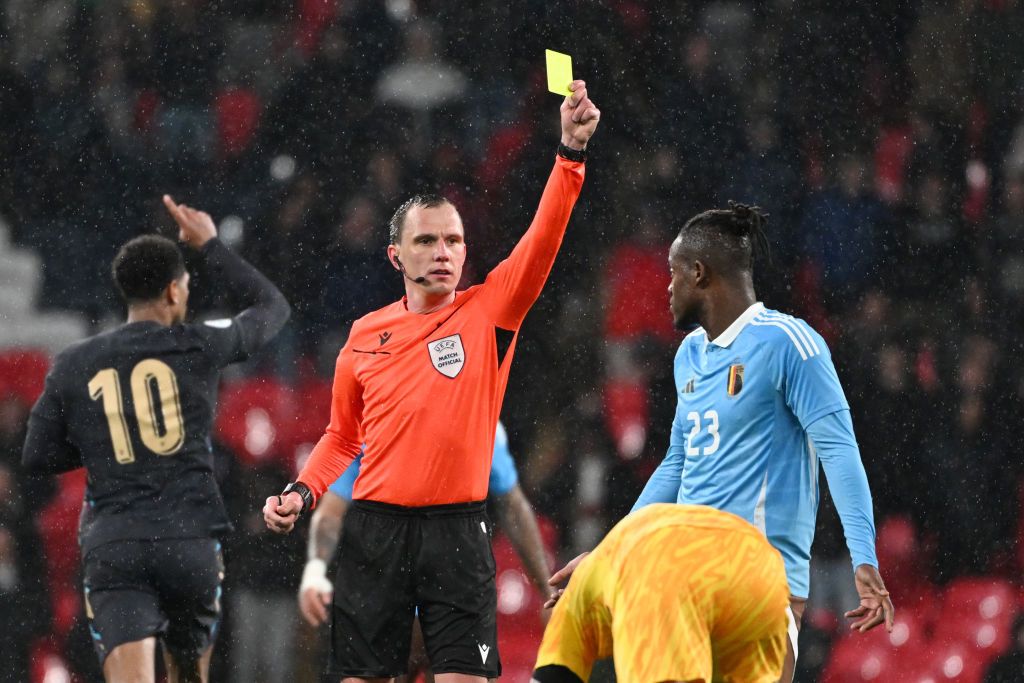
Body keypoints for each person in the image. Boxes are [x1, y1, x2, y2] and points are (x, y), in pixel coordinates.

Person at [263, 80, 600, 682]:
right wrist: (302, 491)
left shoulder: (490, 310)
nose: (443, 251)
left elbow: (543, 238)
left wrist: (568, 155)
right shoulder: (365, 334)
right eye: (426, 240)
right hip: (375, 533)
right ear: (396, 256)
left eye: (453, 240)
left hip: (458, 534)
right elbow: (343, 437)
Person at [547, 202, 894, 682]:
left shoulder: (790, 343)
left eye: (672, 274)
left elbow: (839, 451)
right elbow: (675, 465)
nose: (665, 287)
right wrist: (609, 552)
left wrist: (864, 557)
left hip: (759, 588)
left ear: (699, 272)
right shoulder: (688, 356)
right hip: (683, 578)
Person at [22, 196, 290, 683]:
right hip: (188, 539)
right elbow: (273, 307)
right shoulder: (198, 344)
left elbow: (37, 455)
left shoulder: (76, 362)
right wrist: (211, 247)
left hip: (116, 541)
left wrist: (104, 444)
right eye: (185, 285)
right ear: (172, 291)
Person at [298, 421, 551, 681]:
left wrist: (315, 570)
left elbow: (330, 513)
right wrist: (546, 590)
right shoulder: (475, 415)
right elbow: (513, 507)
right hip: (446, 588)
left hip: (400, 588)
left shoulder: (375, 417)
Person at [533, 504, 790, 683]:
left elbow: (550, 676)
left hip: (665, 572)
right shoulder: (612, 557)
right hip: (762, 563)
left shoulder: (571, 615)